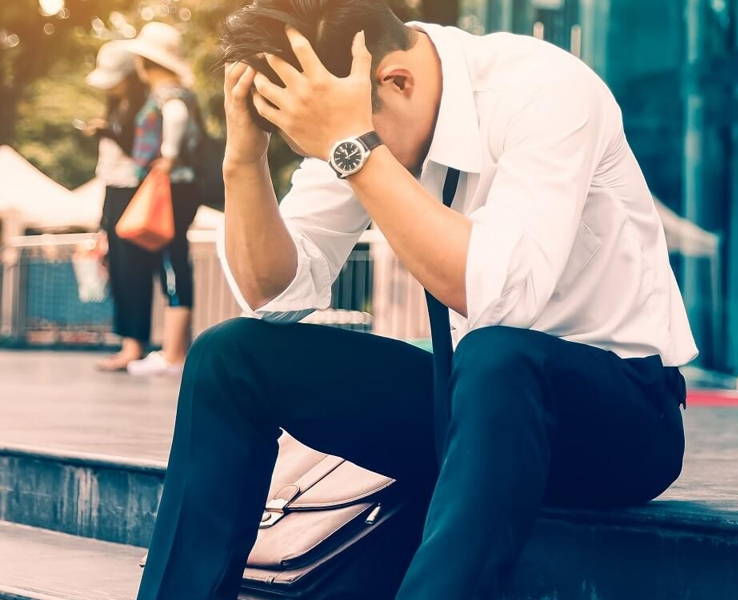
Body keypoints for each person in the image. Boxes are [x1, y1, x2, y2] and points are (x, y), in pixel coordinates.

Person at [135, 1, 696, 599]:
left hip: (622, 420)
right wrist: (243, 160)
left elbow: (502, 295)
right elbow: (273, 292)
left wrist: (354, 148)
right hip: (467, 413)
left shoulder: (544, 89)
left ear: (395, 80)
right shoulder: (358, 109)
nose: (331, 160)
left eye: (332, 145)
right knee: (231, 356)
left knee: (496, 355)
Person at [119, 22, 204, 376]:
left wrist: (167, 154)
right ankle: (174, 351)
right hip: (183, 187)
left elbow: (176, 117)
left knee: (173, 262)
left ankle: (173, 354)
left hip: (173, 186)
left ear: (144, 62)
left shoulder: (168, 94)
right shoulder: (180, 91)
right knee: (175, 261)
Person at [84, 40, 151, 372]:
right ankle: (126, 342)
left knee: (134, 269)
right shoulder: (116, 105)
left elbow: (143, 152)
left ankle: (135, 345)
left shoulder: (145, 107)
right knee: (118, 269)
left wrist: (109, 131)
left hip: (134, 191)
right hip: (112, 190)